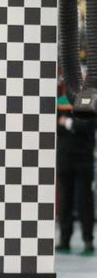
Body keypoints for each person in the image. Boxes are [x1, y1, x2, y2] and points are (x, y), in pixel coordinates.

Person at [56, 92, 95, 254]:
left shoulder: (88, 100)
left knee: (84, 201)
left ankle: (88, 239)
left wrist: (67, 123)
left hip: (83, 160)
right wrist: (72, 125)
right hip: (65, 159)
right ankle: (64, 239)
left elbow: (87, 127)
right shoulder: (60, 102)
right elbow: (55, 125)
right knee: (65, 201)